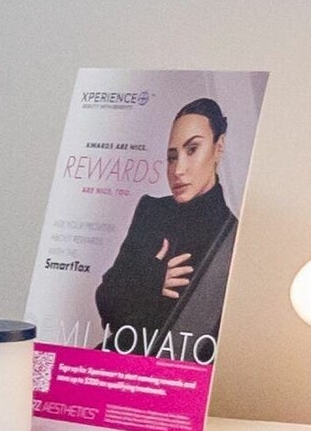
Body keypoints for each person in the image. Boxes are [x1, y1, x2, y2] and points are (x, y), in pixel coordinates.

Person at [89, 97, 239, 358]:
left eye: (192, 149)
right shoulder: (152, 211)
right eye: (172, 157)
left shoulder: (233, 238)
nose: (178, 169)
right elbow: (105, 300)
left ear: (219, 147)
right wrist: (150, 280)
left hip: (177, 376)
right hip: (115, 364)